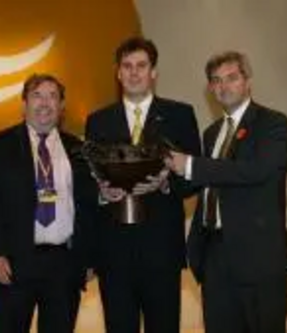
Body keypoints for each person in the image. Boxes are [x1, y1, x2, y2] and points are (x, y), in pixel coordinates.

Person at [165, 51, 287, 333]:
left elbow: (255, 171)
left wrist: (191, 165)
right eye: (216, 81)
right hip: (214, 259)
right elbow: (206, 182)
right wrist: (162, 179)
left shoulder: (272, 123)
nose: (223, 86)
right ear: (211, 88)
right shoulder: (211, 133)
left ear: (247, 81)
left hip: (258, 262)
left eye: (231, 78)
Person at [85, 36, 201, 333]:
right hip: (114, 252)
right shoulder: (98, 121)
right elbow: (88, 178)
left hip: (161, 250)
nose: (134, 72)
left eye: (141, 65)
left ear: (154, 72)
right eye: (127, 66)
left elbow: (195, 176)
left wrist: (164, 184)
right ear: (118, 73)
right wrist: (101, 192)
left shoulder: (180, 115)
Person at [0, 73, 97, 333]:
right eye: (37, 95)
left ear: (62, 106)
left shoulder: (78, 149)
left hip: (63, 265)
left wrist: (87, 259)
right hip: (12, 263)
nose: (45, 102)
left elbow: (87, 208)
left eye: (53, 96)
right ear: (24, 104)